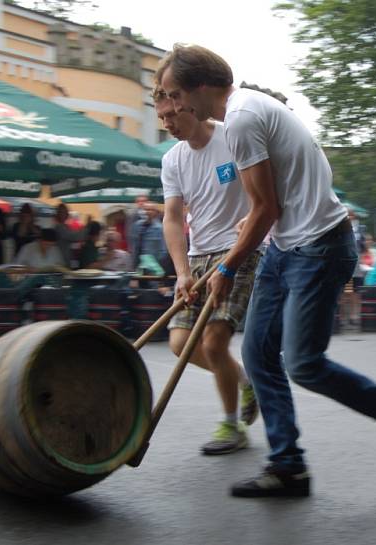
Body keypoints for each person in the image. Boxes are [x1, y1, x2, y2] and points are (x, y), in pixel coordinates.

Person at [159, 44, 376, 497]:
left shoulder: (241, 119)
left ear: (200, 87)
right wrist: (258, 220)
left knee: (303, 363)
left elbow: (266, 207)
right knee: (260, 356)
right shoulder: (247, 111)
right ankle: (288, 466)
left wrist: (226, 266)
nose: (174, 105)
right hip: (289, 247)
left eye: (175, 93)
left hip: (319, 247)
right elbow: (273, 200)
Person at [156, 88, 260, 455]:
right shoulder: (172, 159)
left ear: (192, 107)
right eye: (161, 117)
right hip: (197, 256)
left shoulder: (231, 136)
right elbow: (172, 218)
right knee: (180, 344)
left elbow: (264, 188)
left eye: (172, 115)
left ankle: (231, 427)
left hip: (240, 251)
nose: (167, 124)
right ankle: (245, 380)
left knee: (214, 342)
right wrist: (181, 271)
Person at [134, 202, 170, 274]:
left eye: (150, 210)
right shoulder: (138, 225)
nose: (147, 212)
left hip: (154, 266)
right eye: (145, 209)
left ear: (156, 212)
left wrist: (154, 263)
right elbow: (134, 245)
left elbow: (163, 250)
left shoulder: (160, 228)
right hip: (139, 266)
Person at [53, 203, 86, 268]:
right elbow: (74, 237)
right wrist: (86, 229)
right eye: (62, 212)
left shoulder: (64, 226)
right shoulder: (59, 227)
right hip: (61, 261)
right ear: (58, 214)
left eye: (65, 212)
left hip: (65, 259)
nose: (64, 214)